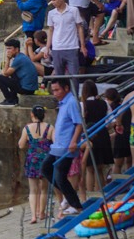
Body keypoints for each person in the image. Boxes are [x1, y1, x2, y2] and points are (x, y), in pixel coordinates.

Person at [40, 79, 83, 217]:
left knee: (60, 177)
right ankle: (67, 197)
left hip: (66, 146)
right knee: (46, 168)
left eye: (57, 90)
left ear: (66, 88)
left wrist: (74, 141)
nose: (55, 93)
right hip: (57, 146)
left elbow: (79, 124)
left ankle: (75, 205)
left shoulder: (71, 102)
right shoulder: (63, 103)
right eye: (53, 90)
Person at [17, 105, 52, 224]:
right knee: (44, 188)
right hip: (46, 160)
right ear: (44, 115)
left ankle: (33, 216)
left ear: (32, 115)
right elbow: (56, 142)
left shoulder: (27, 128)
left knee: (33, 189)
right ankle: (42, 213)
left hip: (32, 160)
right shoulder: (50, 127)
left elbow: (21, 145)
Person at [45, 0, 85, 88]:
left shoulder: (73, 10)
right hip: (57, 48)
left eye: (54, 0)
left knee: (74, 76)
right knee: (59, 77)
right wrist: (47, 47)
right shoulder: (51, 13)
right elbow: (50, 30)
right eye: (52, 0)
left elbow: (79, 27)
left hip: (72, 47)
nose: (52, 2)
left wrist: (83, 46)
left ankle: (74, 98)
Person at [80, 80, 113, 194]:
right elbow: (112, 121)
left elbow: (80, 122)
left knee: (90, 169)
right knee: (100, 168)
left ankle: (90, 194)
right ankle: (101, 194)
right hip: (103, 135)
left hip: (89, 136)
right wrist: (104, 128)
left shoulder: (83, 105)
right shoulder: (104, 103)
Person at [0, 39, 39, 106]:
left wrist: (8, 59)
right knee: (12, 73)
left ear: (16, 49)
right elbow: (8, 73)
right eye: (7, 49)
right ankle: (14, 99)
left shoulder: (19, 59)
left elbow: (5, 73)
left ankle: (10, 101)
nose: (8, 51)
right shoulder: (21, 56)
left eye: (10, 48)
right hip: (30, 88)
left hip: (26, 89)